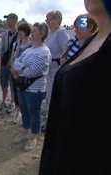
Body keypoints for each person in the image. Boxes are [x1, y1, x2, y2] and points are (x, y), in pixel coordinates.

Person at [39, 0, 111, 174]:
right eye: (47, 17)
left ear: (57, 19)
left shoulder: (63, 33)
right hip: (60, 73)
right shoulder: (84, 41)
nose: (47, 20)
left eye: (50, 17)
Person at [12, 22, 51, 151]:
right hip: (23, 85)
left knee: (34, 112)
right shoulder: (28, 49)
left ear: (42, 34)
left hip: (35, 88)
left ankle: (33, 137)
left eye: (34, 31)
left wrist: (20, 69)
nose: (32, 33)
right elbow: (17, 61)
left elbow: (34, 71)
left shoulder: (45, 52)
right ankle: (25, 133)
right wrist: (21, 67)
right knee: (24, 111)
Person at [10, 23, 32, 124]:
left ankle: (26, 115)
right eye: (19, 31)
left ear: (27, 32)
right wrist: (12, 69)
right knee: (16, 92)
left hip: (25, 73)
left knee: (26, 93)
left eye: (22, 31)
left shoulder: (31, 44)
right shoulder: (16, 43)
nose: (19, 33)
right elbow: (12, 57)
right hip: (15, 72)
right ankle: (18, 112)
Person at [0, 13, 18, 113]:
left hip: (14, 64)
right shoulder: (5, 34)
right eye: (7, 19)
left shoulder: (19, 34)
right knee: (4, 83)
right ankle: (4, 101)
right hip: (5, 63)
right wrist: (1, 62)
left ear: (15, 20)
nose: (7, 21)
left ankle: (12, 103)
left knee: (13, 84)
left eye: (9, 19)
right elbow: (2, 49)